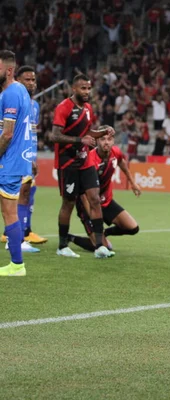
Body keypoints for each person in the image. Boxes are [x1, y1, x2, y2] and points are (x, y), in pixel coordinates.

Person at [49, 74, 115, 259]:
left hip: (85, 161)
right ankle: (62, 246)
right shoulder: (64, 107)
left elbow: (88, 132)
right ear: (74, 89)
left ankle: (100, 246)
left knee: (94, 199)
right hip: (68, 163)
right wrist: (80, 140)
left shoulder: (88, 108)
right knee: (68, 203)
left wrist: (102, 131)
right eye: (83, 88)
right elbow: (54, 136)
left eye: (88, 88)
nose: (87, 92)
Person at [1, 66, 48, 250]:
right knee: (14, 196)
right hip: (11, 158)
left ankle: (20, 235)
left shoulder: (34, 105)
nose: (32, 83)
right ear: (17, 81)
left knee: (27, 192)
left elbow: (29, 133)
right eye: (27, 79)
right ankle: (15, 238)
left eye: (33, 80)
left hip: (26, 157)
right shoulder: (9, 99)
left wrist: (32, 157)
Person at [69, 134, 141, 253]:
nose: (106, 142)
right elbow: (82, 194)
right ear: (97, 141)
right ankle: (70, 237)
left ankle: (104, 233)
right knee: (101, 247)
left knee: (133, 228)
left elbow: (121, 162)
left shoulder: (115, 152)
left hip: (106, 201)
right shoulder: (89, 160)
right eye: (102, 139)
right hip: (87, 202)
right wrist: (91, 217)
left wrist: (133, 183)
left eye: (109, 139)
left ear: (113, 141)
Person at [0, 50, 33, 276]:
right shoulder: (20, 90)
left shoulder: (11, 93)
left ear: (9, 70)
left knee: (9, 212)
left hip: (8, 162)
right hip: (15, 160)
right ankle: (17, 263)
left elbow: (8, 134)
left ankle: (17, 264)